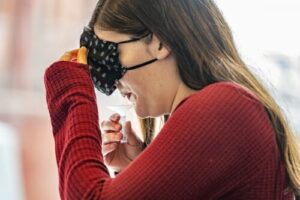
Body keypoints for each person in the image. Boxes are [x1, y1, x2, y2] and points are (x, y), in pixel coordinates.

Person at [44, 0, 300, 199]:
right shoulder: (226, 109)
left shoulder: (223, 107)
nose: (110, 83)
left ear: (159, 42)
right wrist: (137, 172)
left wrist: (71, 92)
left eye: (110, 56)